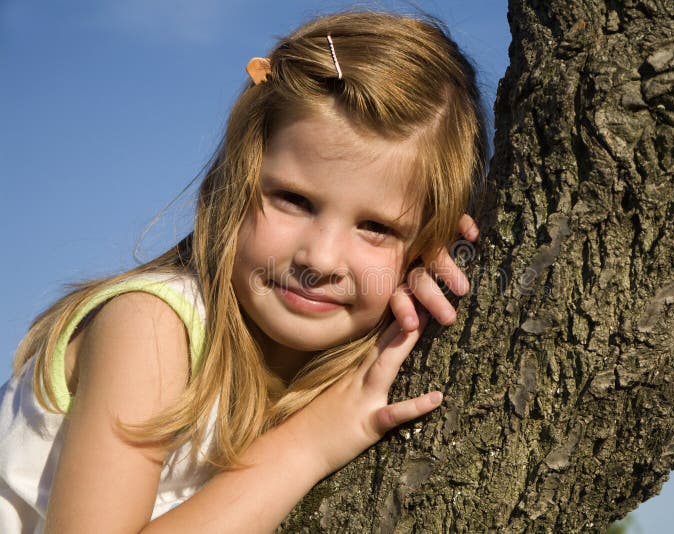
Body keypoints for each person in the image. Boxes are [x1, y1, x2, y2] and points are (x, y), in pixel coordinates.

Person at [0, 10, 488, 533]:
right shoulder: (152, 328)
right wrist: (309, 445)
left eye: (377, 227)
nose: (319, 259)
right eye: (293, 199)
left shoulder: (354, 357)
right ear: (238, 176)